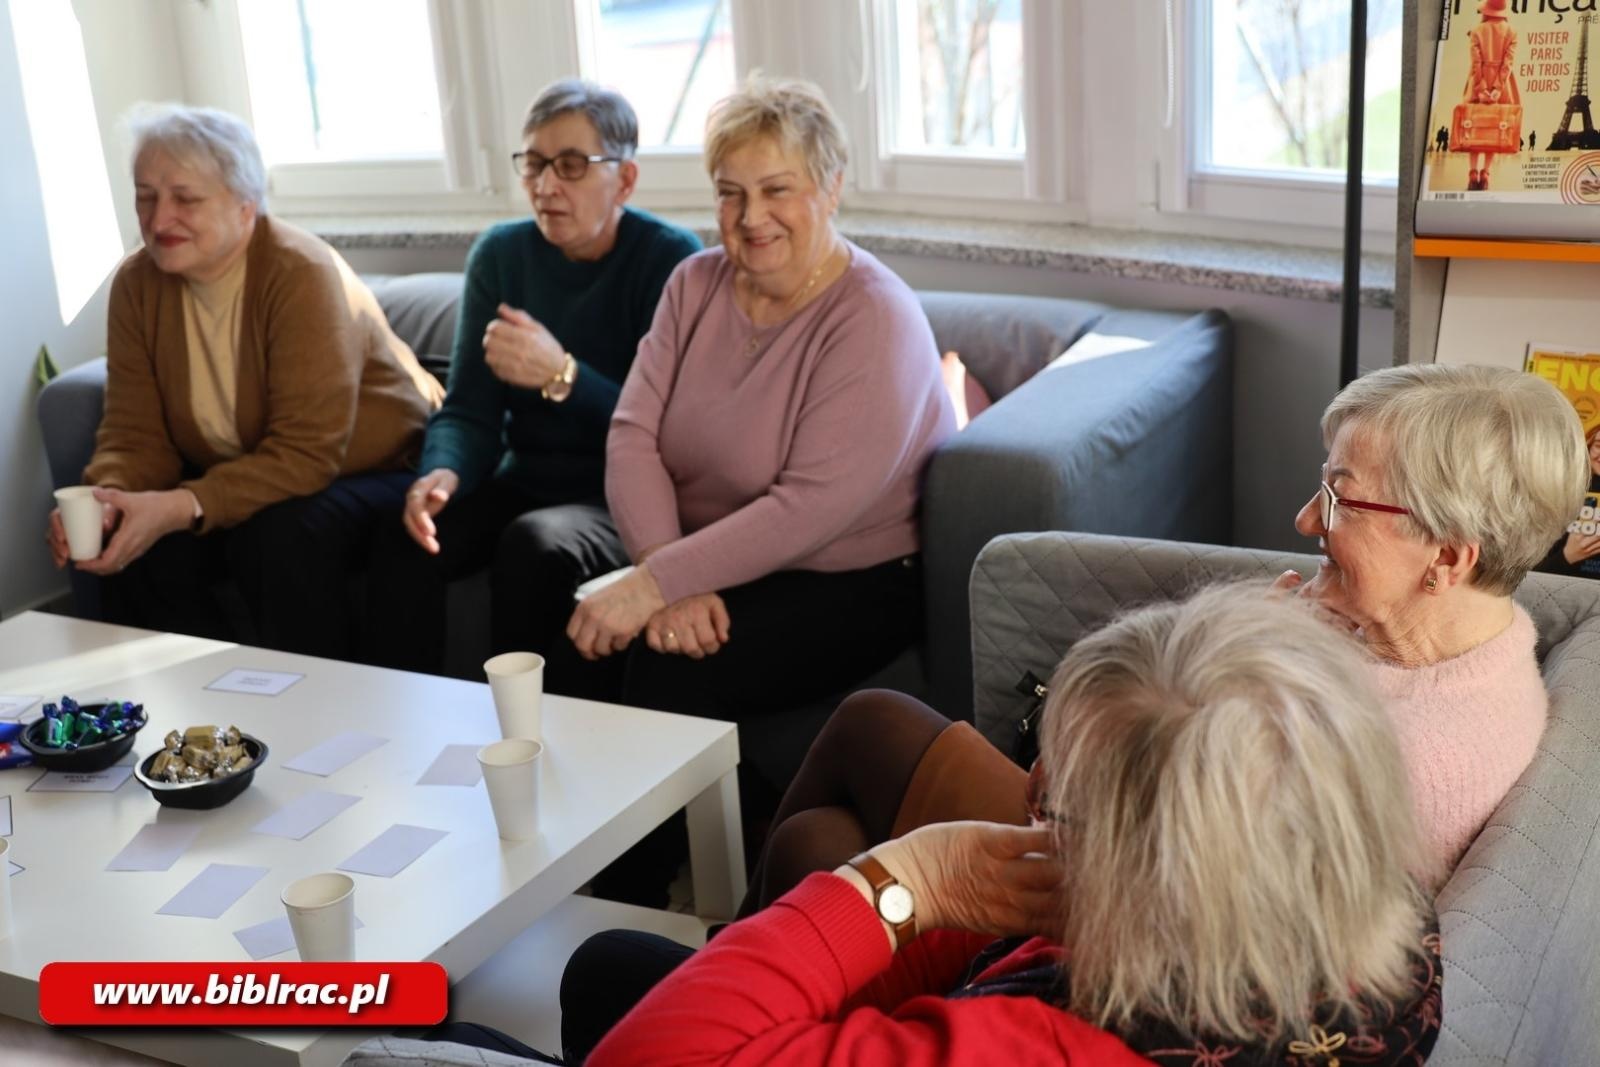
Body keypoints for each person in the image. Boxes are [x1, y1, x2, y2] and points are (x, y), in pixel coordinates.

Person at [420, 585, 1443, 1065]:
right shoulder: (1380, 921)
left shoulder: (1037, 1050)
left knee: (453, 1026)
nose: (1032, 788)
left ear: (1152, 873)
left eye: (1064, 799)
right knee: (609, 960)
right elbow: (1011, 946)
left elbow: (646, 1058)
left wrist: (906, 881)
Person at [732, 361, 1585, 924]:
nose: (1304, 520)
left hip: (1133, 911)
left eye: (1340, 500)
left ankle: (730, 981)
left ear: (1447, 554)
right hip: (1134, 845)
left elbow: (1193, 883)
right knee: (830, 820)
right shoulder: (1476, 631)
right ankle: (742, 977)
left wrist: (1089, 766)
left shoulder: (1411, 755)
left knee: (834, 807)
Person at [561, 75, 954, 729]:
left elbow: (809, 507)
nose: (750, 217)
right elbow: (632, 434)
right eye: (731, 194)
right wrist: (666, 573)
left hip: (848, 575)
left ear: (831, 189)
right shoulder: (694, 282)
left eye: (777, 190)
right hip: (705, 548)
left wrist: (657, 586)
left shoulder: (873, 316)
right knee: (580, 624)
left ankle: (733, 832)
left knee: (670, 669)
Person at [46, 104, 443, 657]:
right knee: (142, 546)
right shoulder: (138, 283)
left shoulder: (299, 272)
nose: (159, 220)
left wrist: (183, 504)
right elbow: (135, 435)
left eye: (185, 199)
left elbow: (307, 454)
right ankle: (196, 720)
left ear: (244, 205)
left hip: (377, 468)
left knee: (278, 536)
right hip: (250, 475)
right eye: (145, 196)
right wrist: (108, 497)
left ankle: (314, 707)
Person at [361, 81, 700, 677]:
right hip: (524, 480)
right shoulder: (501, 255)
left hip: (621, 495)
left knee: (535, 544)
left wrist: (562, 375)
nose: (546, 187)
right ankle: (403, 726)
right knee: (405, 528)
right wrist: (444, 470)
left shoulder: (670, 261)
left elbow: (672, 435)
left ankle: (525, 740)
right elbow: (469, 409)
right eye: (535, 165)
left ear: (624, 180)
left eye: (571, 166)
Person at [1460, 0, 1519, 191]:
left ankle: (1472, 173)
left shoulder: (1477, 30)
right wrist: (1497, 89)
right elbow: (1508, 64)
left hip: (1478, 82)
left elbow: (1476, 62)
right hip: (1503, 86)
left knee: (1474, 126)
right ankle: (1486, 173)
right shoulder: (1511, 31)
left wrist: (1481, 88)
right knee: (1496, 128)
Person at [1538, 421, 1600, 578]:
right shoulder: (1561, 497)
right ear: (1588, 447)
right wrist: (1568, 556)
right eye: (1599, 445)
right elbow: (1530, 577)